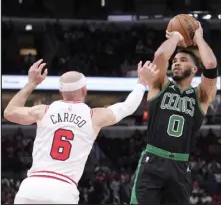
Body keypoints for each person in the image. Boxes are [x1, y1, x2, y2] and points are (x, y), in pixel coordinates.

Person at [4, 59, 159, 204]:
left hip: (32, 187)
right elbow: (128, 107)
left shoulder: (43, 110)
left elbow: (9, 112)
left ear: (60, 91)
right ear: (84, 90)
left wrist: (31, 83)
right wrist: (141, 83)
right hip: (63, 189)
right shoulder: (94, 116)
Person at [130, 21, 217, 204]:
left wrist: (198, 38)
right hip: (152, 160)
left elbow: (210, 64)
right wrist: (177, 36)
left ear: (194, 70)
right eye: (175, 61)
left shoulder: (201, 95)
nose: (176, 63)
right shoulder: (160, 85)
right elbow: (160, 56)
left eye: (183, 61)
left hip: (180, 164)